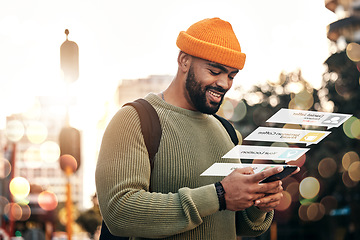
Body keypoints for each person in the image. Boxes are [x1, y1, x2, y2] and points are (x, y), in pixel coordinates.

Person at [95, 17, 298, 239]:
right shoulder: (134, 120)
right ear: (184, 60)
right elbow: (119, 212)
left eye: (231, 75)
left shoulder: (229, 133)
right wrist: (218, 196)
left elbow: (241, 225)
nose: (224, 84)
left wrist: (259, 204)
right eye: (214, 71)